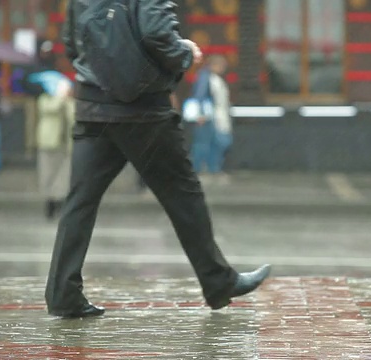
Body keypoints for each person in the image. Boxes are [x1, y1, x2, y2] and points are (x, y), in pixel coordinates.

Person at [45, 0, 271, 318]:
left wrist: (98, 76)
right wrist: (186, 54)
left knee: (79, 202)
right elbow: (156, 33)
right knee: (183, 195)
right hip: (143, 112)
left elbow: (71, 42)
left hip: (91, 107)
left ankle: (62, 294)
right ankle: (219, 282)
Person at [35, 78, 75, 220]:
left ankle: (59, 199)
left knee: (63, 174)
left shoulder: (70, 102)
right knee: (47, 172)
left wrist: (67, 101)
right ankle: (49, 201)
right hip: (49, 142)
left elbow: (73, 116)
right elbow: (49, 109)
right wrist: (60, 98)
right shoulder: (45, 99)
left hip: (65, 144)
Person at [189, 56, 233, 178]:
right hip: (208, 116)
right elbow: (200, 95)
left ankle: (212, 167)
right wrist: (201, 113)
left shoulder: (214, 78)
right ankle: (199, 168)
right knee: (203, 143)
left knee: (216, 143)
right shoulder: (205, 77)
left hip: (216, 116)